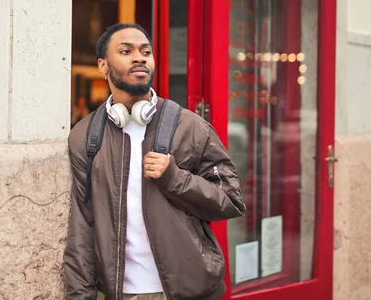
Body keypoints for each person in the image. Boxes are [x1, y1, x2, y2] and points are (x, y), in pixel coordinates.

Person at [64, 23, 246, 300]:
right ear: (103, 65)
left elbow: (230, 200)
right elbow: (82, 225)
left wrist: (175, 178)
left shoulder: (191, 127)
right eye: (126, 51)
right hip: (120, 293)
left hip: (187, 291)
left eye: (145, 51)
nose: (139, 57)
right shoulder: (85, 136)